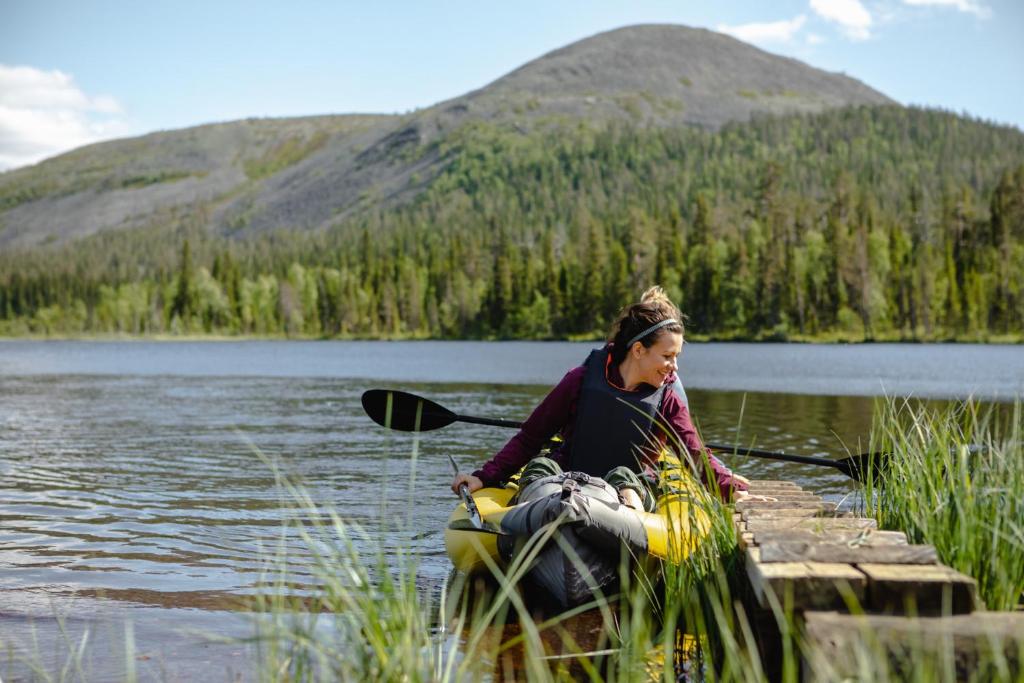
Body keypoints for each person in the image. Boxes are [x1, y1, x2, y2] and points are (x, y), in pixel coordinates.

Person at [451, 286, 762, 511]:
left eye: (676, 356)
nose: (675, 367)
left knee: (624, 476)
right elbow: (530, 438)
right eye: (668, 356)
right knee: (542, 465)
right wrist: (485, 477)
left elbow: (694, 454)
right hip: (567, 476)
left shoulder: (667, 400)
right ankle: (532, 517)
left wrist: (731, 490)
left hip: (627, 484)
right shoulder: (579, 380)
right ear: (638, 350)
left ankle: (620, 521)